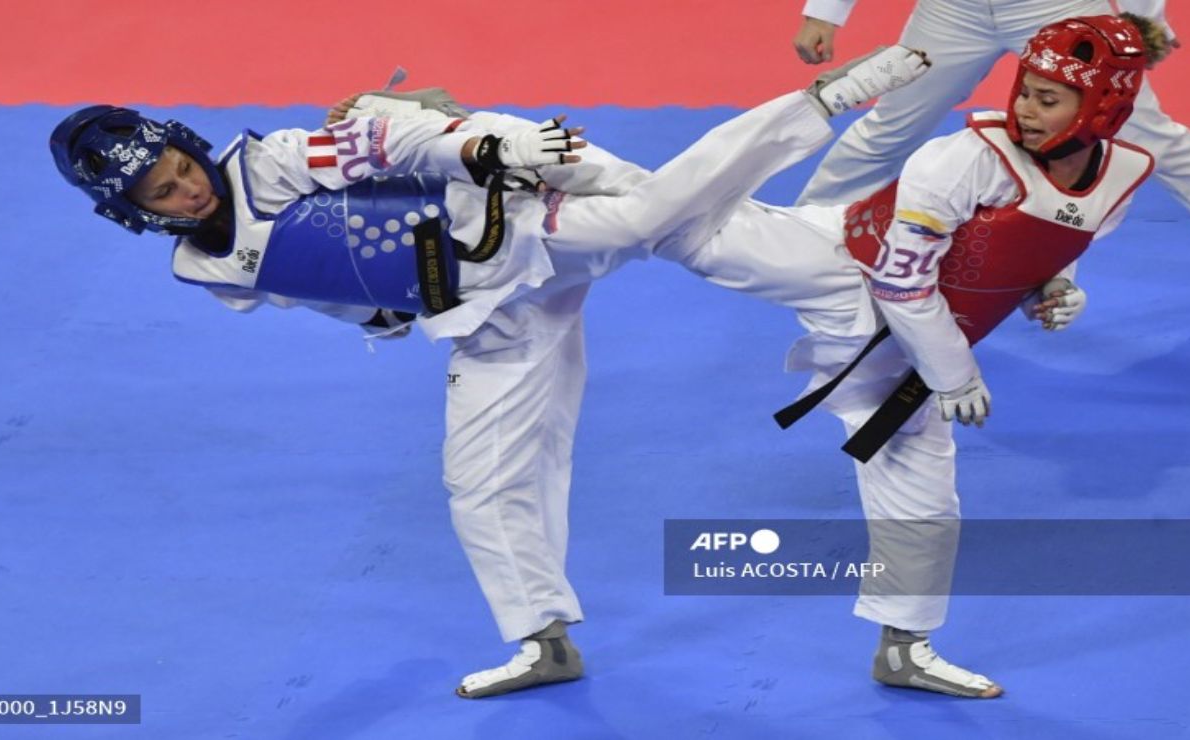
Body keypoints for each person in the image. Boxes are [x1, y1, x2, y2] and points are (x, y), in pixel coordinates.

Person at [48, 46, 931, 699]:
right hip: (484, 309)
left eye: (180, 169)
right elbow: (330, 273)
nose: (187, 191)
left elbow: (374, 142)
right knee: (478, 479)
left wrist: (475, 148)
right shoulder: (204, 267)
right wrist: (390, 304)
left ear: (190, 146)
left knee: (667, 221)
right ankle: (542, 637)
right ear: (130, 215)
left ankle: (822, 104)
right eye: (161, 194)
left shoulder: (270, 161)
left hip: (520, 206)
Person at [791, 0, 1190, 248]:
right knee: (892, 125)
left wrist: (1144, 17)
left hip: (1057, 6)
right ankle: (803, 233)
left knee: (1144, 132)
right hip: (950, 10)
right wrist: (824, 13)